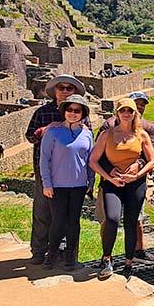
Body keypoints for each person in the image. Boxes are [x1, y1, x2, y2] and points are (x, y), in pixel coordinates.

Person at [25, 74, 90, 265]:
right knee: (43, 211)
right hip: (45, 170)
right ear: (55, 91)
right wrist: (45, 130)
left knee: (67, 215)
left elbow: (88, 140)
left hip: (72, 174)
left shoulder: (80, 113)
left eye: (69, 89)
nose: (64, 91)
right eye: (61, 88)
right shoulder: (43, 112)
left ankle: (64, 253)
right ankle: (38, 251)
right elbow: (30, 136)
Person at [89, 98, 154, 280]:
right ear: (117, 113)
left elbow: (152, 159)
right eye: (123, 110)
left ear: (135, 113)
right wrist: (109, 176)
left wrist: (137, 175)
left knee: (131, 221)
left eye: (130, 110)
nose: (126, 114)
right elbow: (93, 160)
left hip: (135, 184)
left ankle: (128, 262)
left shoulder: (141, 135)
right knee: (111, 219)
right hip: (113, 184)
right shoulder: (107, 134)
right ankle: (107, 258)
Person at [38, 94, 94, 270]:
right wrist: (47, 183)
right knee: (58, 221)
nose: (73, 113)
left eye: (77, 111)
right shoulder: (53, 132)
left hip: (78, 186)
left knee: (74, 222)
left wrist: (91, 182)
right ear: (64, 111)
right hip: (58, 186)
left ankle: (70, 255)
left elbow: (90, 160)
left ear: (82, 113)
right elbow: (44, 158)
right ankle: (52, 254)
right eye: (69, 109)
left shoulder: (87, 134)